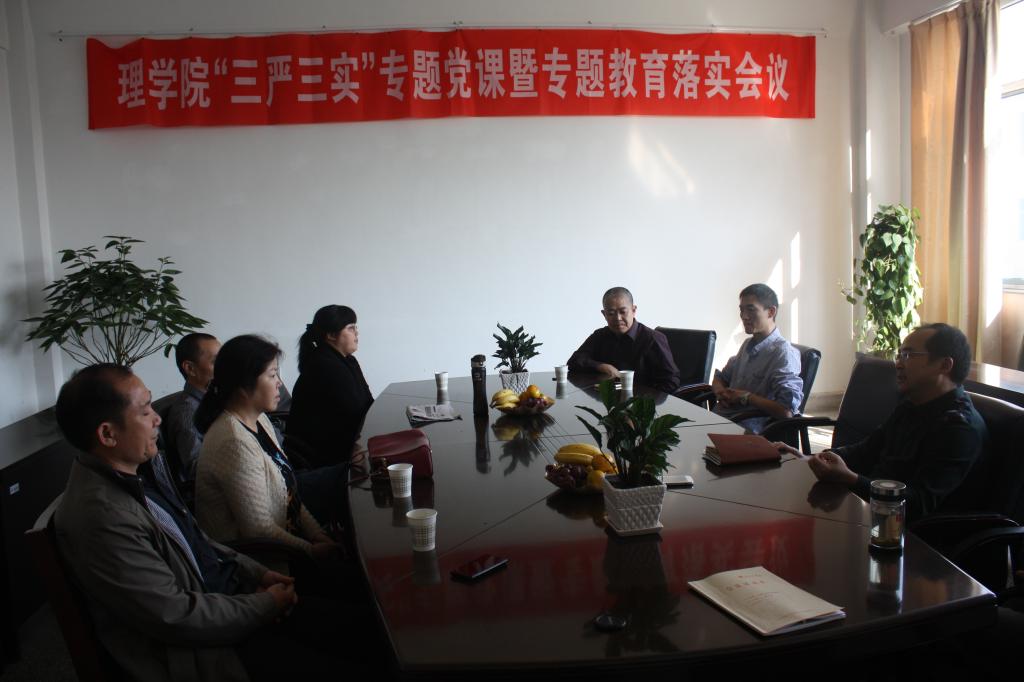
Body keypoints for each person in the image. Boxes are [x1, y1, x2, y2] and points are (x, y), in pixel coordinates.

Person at [52, 363, 297, 681]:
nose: (157, 418)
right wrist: (265, 605)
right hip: (209, 654)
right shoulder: (101, 516)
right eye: (145, 411)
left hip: (230, 603)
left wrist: (256, 573)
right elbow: (177, 616)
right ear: (108, 434)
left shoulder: (141, 472)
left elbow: (196, 541)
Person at [783, 323, 988, 522]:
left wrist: (850, 478)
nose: (898, 364)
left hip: (913, 532)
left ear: (944, 365)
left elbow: (918, 504)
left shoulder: (959, 428)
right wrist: (811, 458)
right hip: (873, 510)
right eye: (899, 355)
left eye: (908, 355)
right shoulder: (911, 405)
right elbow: (866, 450)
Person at [194, 335, 337, 563]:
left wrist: (318, 534)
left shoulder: (259, 419)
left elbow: (288, 493)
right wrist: (311, 550)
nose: (279, 382)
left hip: (289, 542)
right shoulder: (234, 442)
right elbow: (259, 530)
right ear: (244, 384)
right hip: (265, 566)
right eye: (272, 375)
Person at [287, 305, 374, 468]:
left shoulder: (347, 360)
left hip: (342, 441)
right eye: (350, 328)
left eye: (355, 327)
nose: (357, 333)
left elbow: (367, 402)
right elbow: (353, 412)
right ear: (331, 335)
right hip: (323, 455)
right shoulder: (324, 366)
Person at [712, 283, 803, 433]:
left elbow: (786, 411)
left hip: (746, 429)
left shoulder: (783, 353)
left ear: (771, 312)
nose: (744, 316)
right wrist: (721, 392)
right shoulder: (747, 345)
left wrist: (746, 397)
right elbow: (720, 378)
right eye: (741, 310)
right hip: (721, 419)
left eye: (751, 309)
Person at [567, 287, 681, 393]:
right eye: (611, 313)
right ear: (604, 314)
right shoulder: (600, 335)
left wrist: (640, 399)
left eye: (623, 312)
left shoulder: (652, 339)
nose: (618, 318)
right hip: (607, 399)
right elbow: (574, 361)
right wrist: (601, 366)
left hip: (640, 402)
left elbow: (671, 381)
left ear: (633, 310)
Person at [163, 332, 221, 488]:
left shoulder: (217, 399)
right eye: (216, 362)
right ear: (190, 368)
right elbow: (198, 469)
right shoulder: (187, 413)